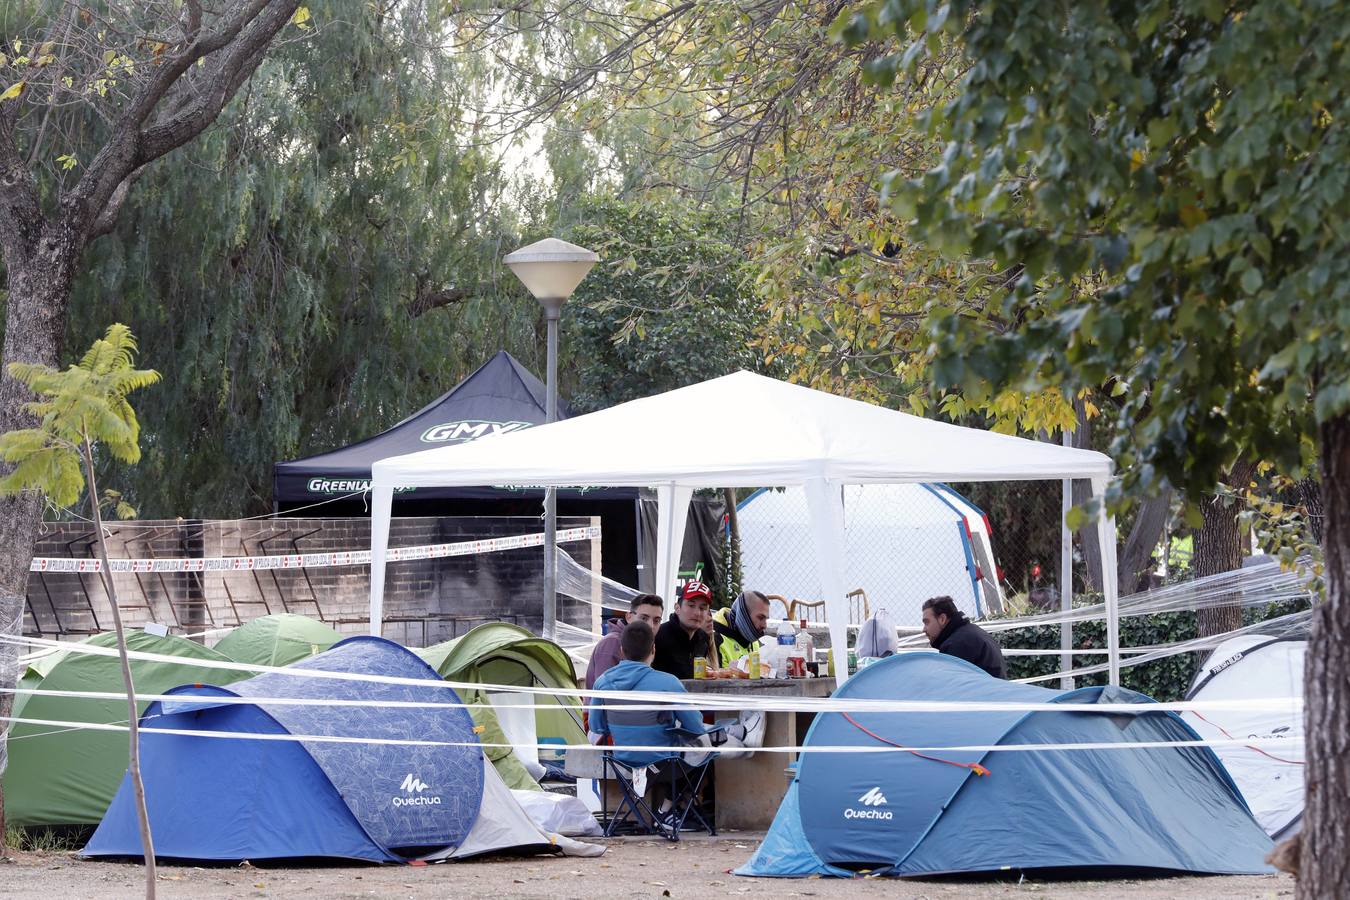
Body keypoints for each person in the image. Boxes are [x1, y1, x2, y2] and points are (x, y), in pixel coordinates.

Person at [589, 620, 761, 832]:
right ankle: (668, 810)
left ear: (622, 650)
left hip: (623, 761)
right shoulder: (667, 682)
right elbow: (695, 727)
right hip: (665, 763)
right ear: (653, 649)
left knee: (690, 740)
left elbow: (597, 726)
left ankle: (668, 810)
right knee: (703, 746)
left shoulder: (602, 683)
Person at [586, 593, 665, 689]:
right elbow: (605, 692)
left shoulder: (649, 642)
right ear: (629, 617)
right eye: (644, 618)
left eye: (656, 621)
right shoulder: (612, 642)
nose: (651, 626)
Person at [921, 596, 1006, 678]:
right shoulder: (973, 632)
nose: (924, 629)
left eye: (926, 622)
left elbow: (952, 687)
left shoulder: (956, 644)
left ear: (942, 619)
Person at [653, 579, 713, 679]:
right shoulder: (658, 635)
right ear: (677, 608)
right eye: (691, 605)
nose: (697, 613)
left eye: (702, 608)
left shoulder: (703, 639)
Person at [711, 589, 771, 666]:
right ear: (743, 616)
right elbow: (717, 676)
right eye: (760, 617)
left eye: (766, 619)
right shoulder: (715, 640)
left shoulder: (753, 641)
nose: (764, 625)